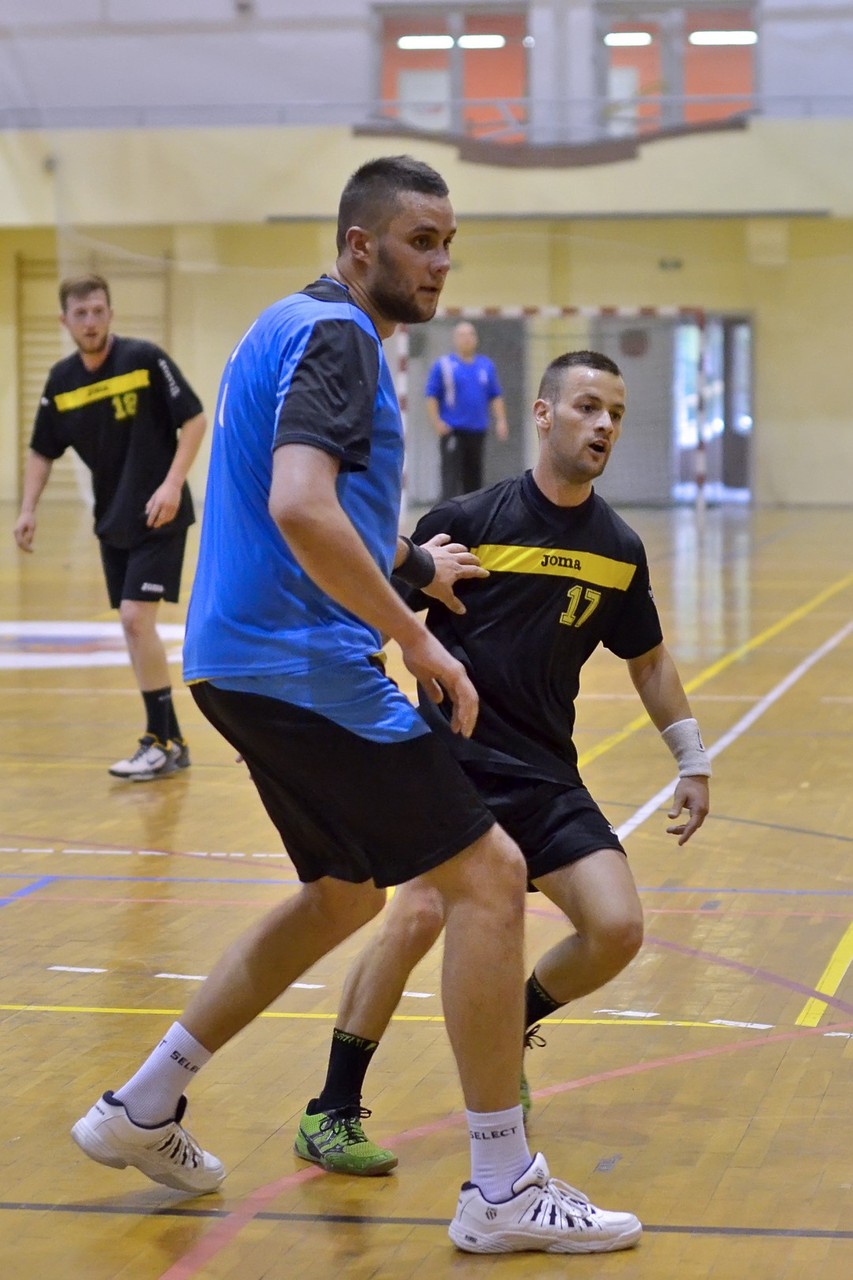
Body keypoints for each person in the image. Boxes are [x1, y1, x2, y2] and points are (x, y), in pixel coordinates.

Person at [70, 159, 641, 1257]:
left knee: (340, 895)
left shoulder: (281, 325)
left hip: (233, 661)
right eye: (421, 240)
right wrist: (417, 636)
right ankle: (501, 1183)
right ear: (358, 245)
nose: (440, 262)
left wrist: (410, 564)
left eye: (448, 242)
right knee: (491, 877)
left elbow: (300, 498)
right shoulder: (341, 337)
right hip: (303, 663)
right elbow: (299, 505)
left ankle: (142, 1104)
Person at [297, 350, 711, 1176]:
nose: (603, 424)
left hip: (545, 773)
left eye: (615, 413)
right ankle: (331, 1109)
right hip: (450, 765)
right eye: (587, 406)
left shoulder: (616, 547)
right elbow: (369, 610)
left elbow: (647, 661)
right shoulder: (469, 520)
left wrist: (690, 759)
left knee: (617, 928)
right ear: (543, 413)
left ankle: (508, 1023)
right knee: (418, 912)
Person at [13, 274, 207, 782]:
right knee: (132, 626)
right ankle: (172, 740)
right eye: (81, 314)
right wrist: (28, 508)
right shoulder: (61, 382)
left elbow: (194, 419)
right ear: (64, 321)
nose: (91, 322)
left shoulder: (144, 360)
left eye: (98, 311)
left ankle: (158, 740)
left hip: (160, 514)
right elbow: (42, 450)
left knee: (135, 619)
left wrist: (172, 484)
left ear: (111, 314)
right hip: (113, 520)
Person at [425, 320, 509, 500]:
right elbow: (431, 396)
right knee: (451, 479)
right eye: (462, 335)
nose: (467, 339)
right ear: (455, 339)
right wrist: (437, 422)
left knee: (474, 480)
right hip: (453, 431)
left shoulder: (486, 366)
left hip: (477, 430)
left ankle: (473, 514)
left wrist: (501, 421)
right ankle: (448, 514)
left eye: (471, 334)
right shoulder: (444, 365)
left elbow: (495, 395)